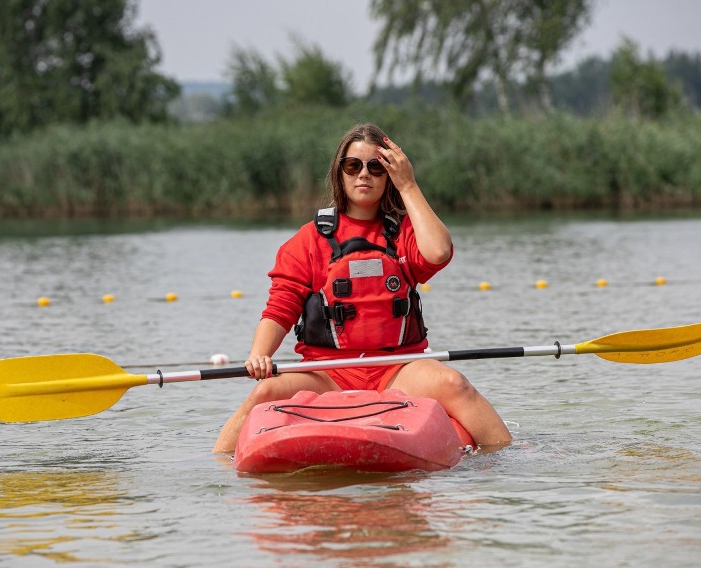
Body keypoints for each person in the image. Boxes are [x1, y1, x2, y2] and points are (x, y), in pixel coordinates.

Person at [213, 123, 511, 453]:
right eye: (353, 166)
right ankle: (222, 468)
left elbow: (439, 252)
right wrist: (259, 355)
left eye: (376, 167)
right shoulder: (309, 240)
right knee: (263, 394)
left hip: (398, 369)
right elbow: (281, 307)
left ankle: (509, 458)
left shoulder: (404, 232)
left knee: (454, 384)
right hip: (327, 374)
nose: (363, 175)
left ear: (389, 175)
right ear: (340, 173)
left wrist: (409, 184)